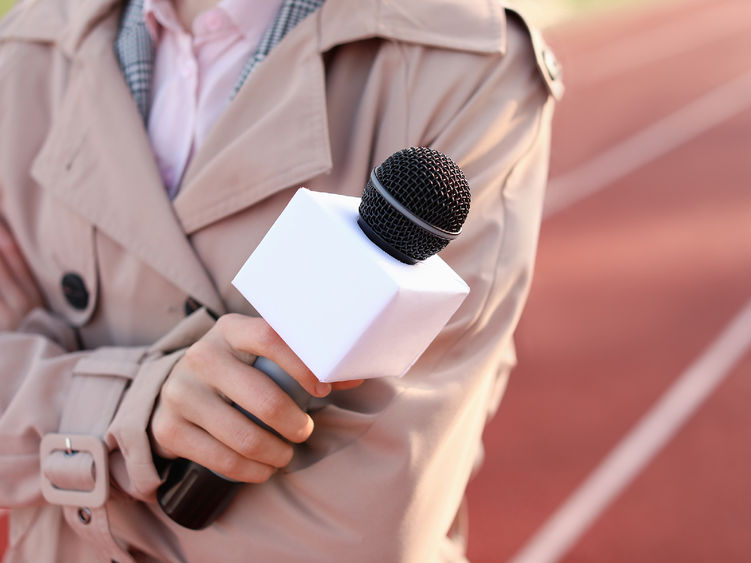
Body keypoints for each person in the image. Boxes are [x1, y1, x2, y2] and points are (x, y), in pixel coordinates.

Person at [0, 0, 562, 560]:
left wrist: (54, 446)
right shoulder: (25, 48)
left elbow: (358, 532)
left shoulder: (465, 64)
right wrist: (133, 411)